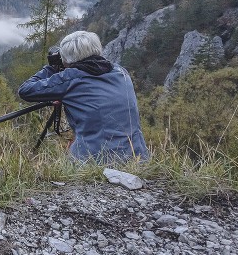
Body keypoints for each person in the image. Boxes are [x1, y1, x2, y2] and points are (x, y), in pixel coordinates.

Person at [18, 30, 149, 163]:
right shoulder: (121, 72)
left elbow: (25, 90)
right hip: (137, 157)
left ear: (67, 59)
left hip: (95, 161)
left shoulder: (70, 79)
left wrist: (51, 68)